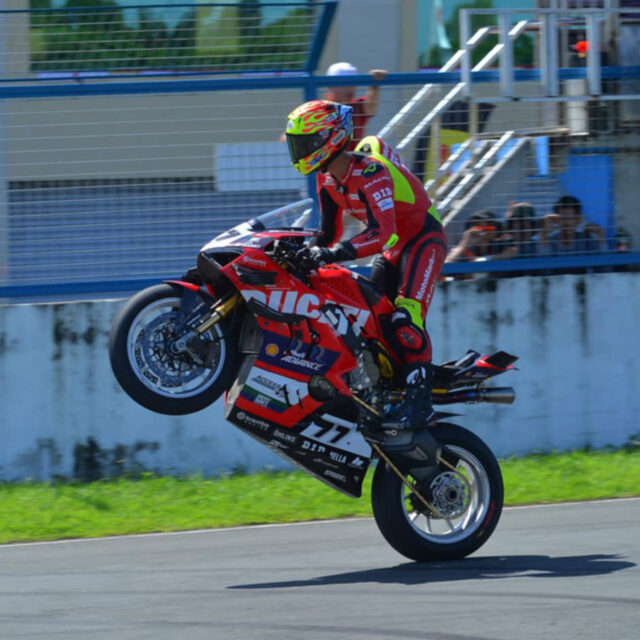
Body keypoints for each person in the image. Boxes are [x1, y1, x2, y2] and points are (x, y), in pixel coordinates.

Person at [285, 100, 447, 431]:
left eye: (303, 142)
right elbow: (328, 233)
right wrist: (299, 251)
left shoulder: (371, 172)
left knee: (405, 318)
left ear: (326, 140)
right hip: (393, 250)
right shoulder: (326, 179)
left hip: (421, 240)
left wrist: (331, 254)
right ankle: (386, 391)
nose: (298, 150)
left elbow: (383, 235)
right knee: (370, 320)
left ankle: (421, 405)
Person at [324, 62, 388, 149]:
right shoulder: (321, 108)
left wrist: (374, 85)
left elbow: (371, 107)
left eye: (353, 84)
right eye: (344, 84)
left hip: (353, 160)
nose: (350, 89)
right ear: (331, 86)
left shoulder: (356, 107)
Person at [446, 210, 517, 265]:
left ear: (497, 230)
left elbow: (513, 251)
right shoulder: (463, 250)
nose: (484, 230)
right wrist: (464, 244)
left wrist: (487, 259)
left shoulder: (501, 246)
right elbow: (446, 265)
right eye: (478, 226)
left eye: (489, 226)